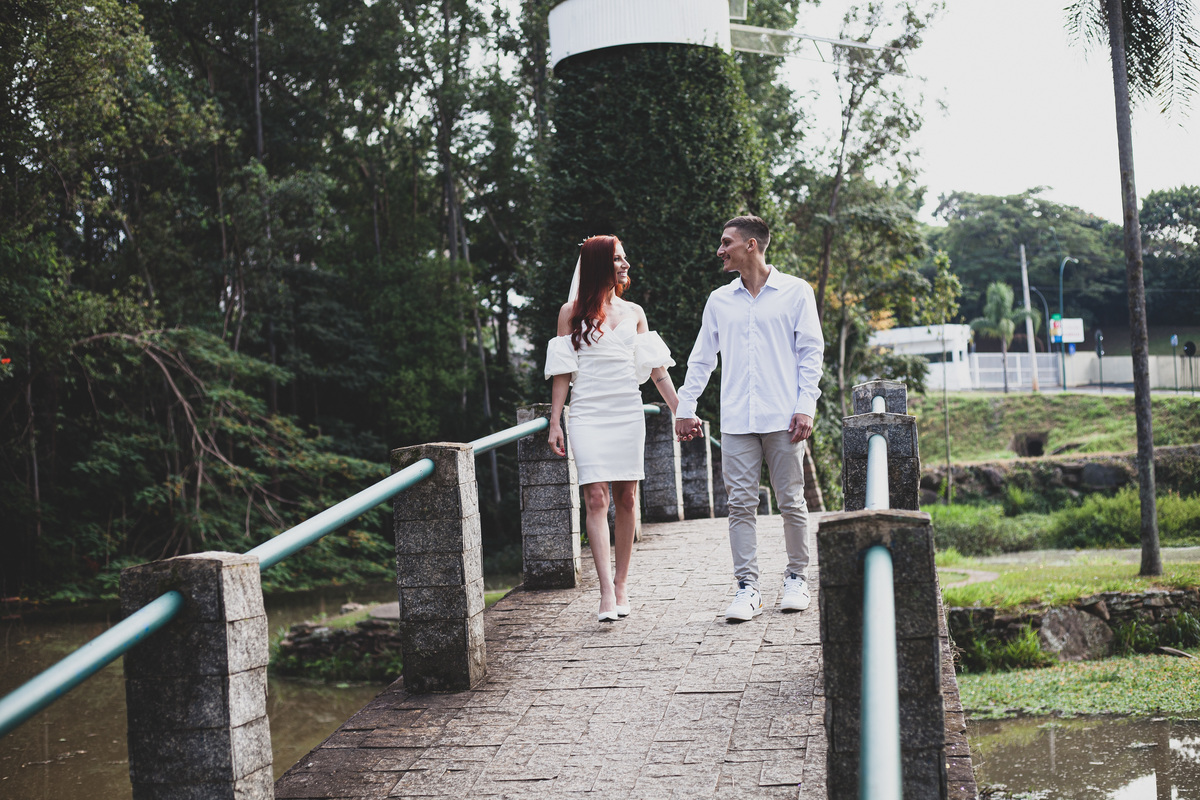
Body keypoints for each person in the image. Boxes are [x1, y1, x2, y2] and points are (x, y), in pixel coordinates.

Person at [674, 215, 824, 622]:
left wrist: (806, 405)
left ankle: (797, 578)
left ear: (751, 245)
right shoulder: (719, 301)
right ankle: (748, 588)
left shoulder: (796, 292)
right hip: (737, 420)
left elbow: (811, 353)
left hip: (784, 416)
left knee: (791, 500)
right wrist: (685, 407)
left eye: (727, 243)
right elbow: (702, 358)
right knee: (739, 505)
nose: (720, 250)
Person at [544, 235, 680, 622]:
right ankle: (605, 592)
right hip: (587, 413)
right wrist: (555, 421)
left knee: (628, 499)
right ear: (599, 264)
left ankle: (622, 585)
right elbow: (562, 372)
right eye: (618, 259)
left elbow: (656, 370)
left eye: (625, 258)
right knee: (595, 498)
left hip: (626, 410)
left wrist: (680, 410)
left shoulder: (634, 312)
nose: (625, 265)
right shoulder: (570, 312)